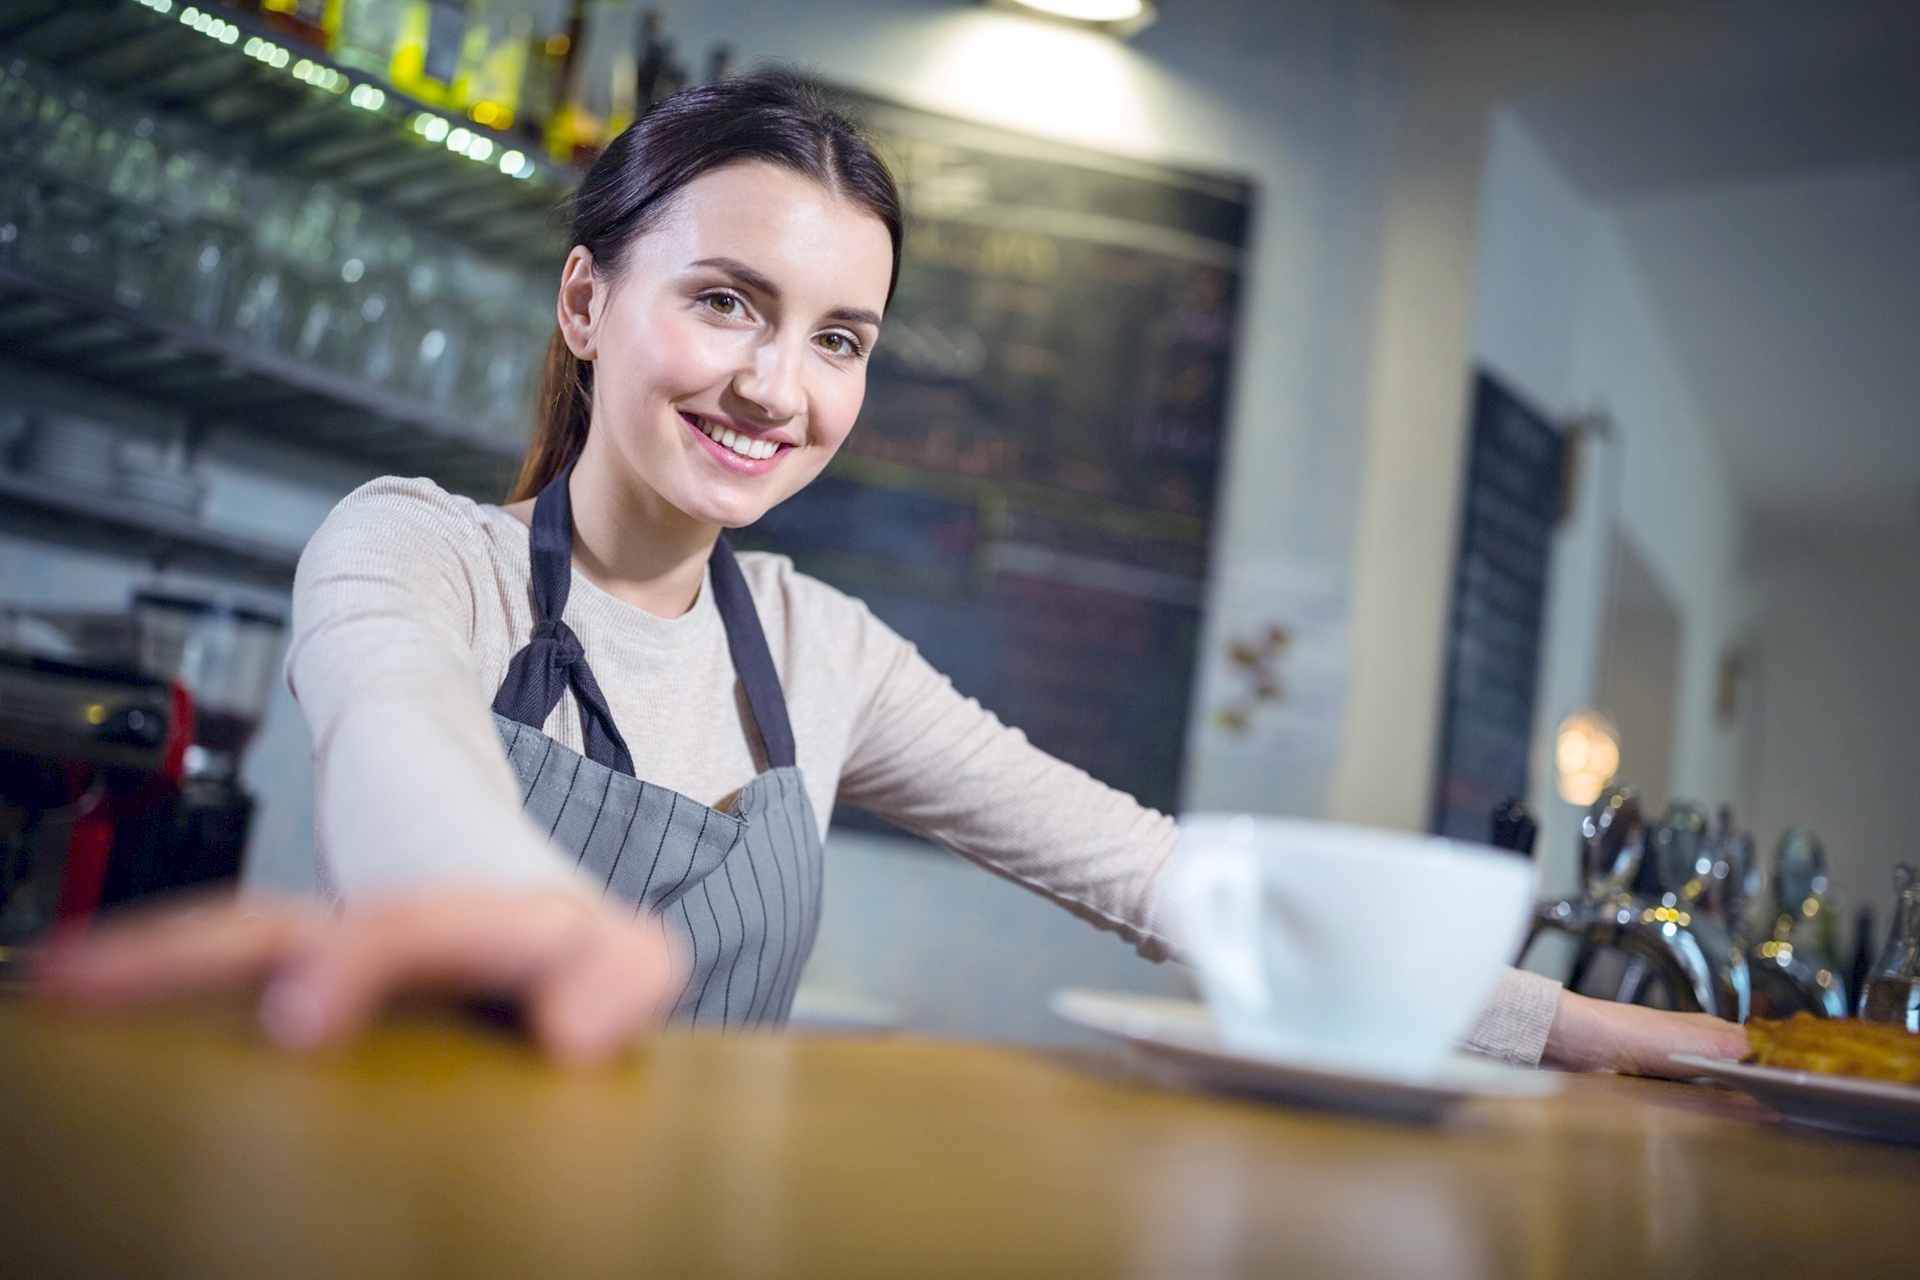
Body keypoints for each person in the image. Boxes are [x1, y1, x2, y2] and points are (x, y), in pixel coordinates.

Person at [36, 72, 1745, 1075]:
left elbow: (1167, 881)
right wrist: (513, 906)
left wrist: (1602, 1034)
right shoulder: (417, 552)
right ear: (586, 306)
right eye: (725, 302)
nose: (779, 390)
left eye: (837, 337)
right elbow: (402, 746)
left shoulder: (820, 653)